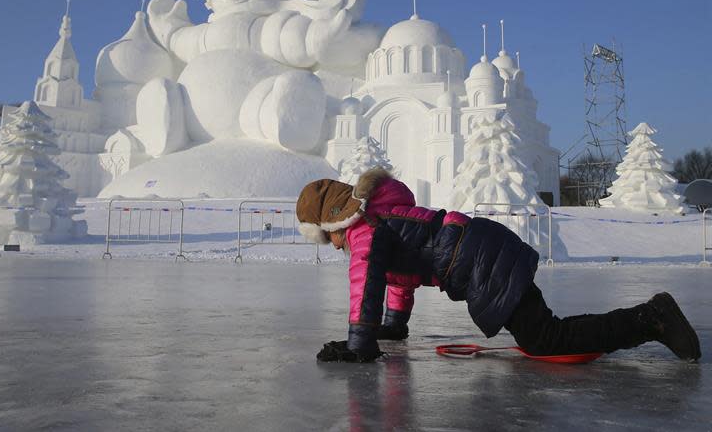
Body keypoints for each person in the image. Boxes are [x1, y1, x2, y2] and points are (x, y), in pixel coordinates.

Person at [296, 168, 701, 363]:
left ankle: (652, 318)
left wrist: (359, 344)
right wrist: (394, 325)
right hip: (483, 249)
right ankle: (651, 317)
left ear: (335, 221)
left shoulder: (365, 230)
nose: (333, 246)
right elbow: (398, 277)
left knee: (544, 339)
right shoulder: (383, 219)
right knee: (541, 335)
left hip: (480, 261)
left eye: (326, 236)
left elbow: (366, 279)